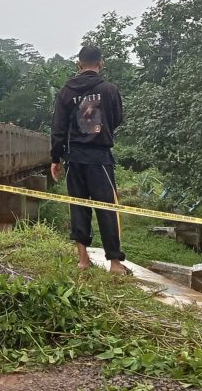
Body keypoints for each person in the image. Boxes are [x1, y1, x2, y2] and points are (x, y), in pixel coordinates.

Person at [50, 46, 127, 274]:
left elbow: (58, 128)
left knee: (79, 206)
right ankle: (114, 263)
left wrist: (56, 158)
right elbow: (116, 118)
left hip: (74, 158)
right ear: (101, 63)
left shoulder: (66, 92)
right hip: (100, 157)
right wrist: (100, 133)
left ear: (79, 64)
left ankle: (83, 260)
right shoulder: (110, 90)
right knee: (107, 208)